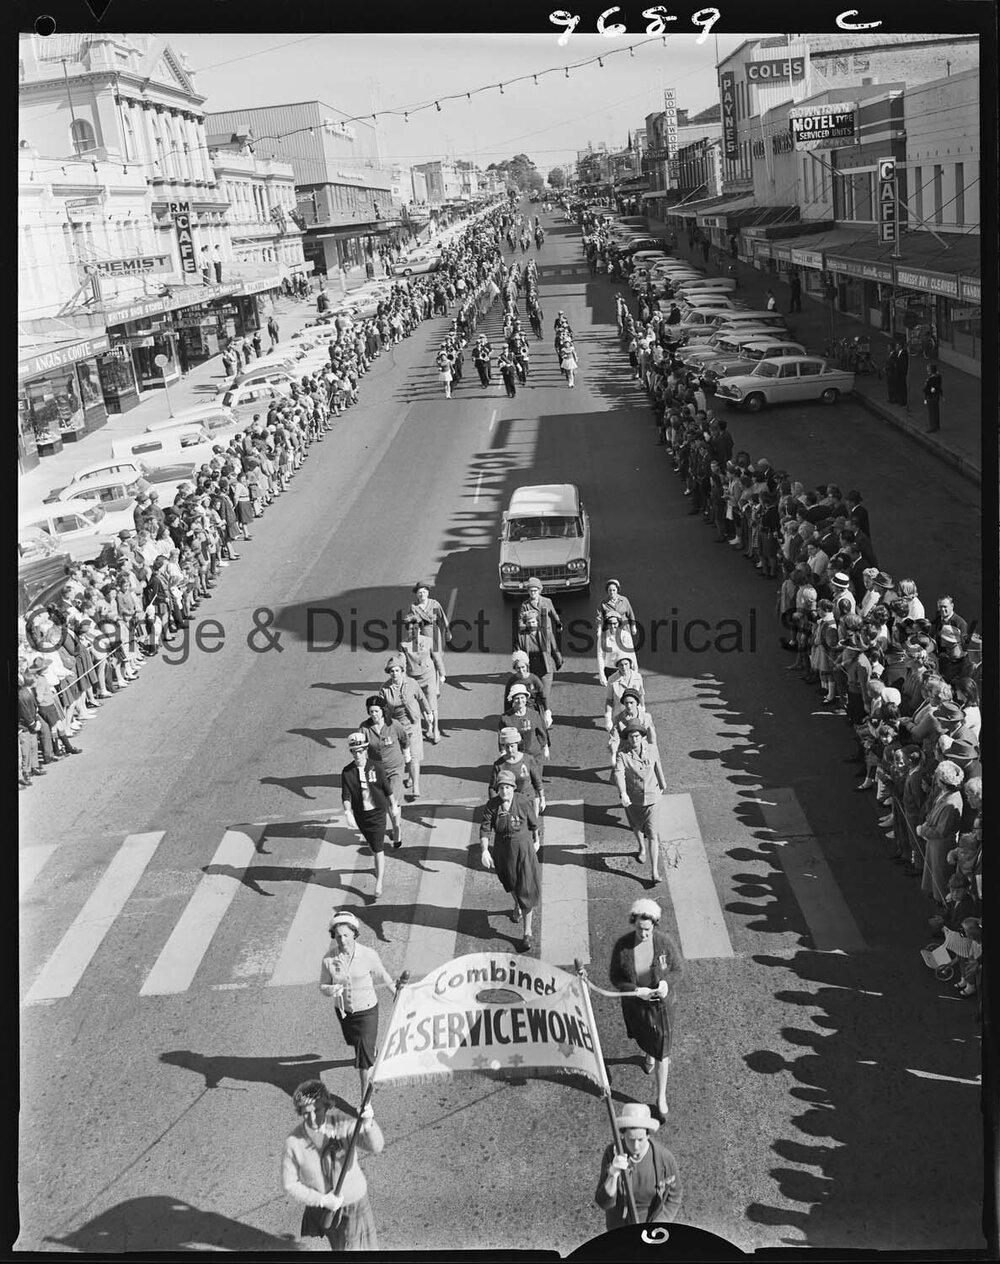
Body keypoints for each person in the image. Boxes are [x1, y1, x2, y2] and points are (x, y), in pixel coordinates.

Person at [282, 1079, 384, 1251]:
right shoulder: (294, 1142)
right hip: (323, 1207)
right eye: (306, 1113)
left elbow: (376, 1147)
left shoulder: (342, 1124)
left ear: (326, 1106)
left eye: (317, 1110)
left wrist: (368, 1124)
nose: (312, 1118)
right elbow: (289, 1184)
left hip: (353, 1203)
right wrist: (322, 1200)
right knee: (338, 1246)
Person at [608, 899, 683, 1121]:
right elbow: (615, 978)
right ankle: (648, 1054)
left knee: (663, 1052)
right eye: (640, 929)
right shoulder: (623, 947)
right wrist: (634, 990)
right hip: (637, 1006)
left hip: (662, 1007)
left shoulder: (664, 943)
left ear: (654, 925)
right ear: (634, 923)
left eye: (648, 930)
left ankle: (661, 1097)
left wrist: (666, 983)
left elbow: (678, 969)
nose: (644, 934)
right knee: (646, 1039)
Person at [319, 909, 395, 1096]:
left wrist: (397, 994)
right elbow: (323, 985)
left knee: (363, 1063)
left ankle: (364, 1102)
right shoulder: (329, 959)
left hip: (367, 1012)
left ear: (354, 933)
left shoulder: (368, 954)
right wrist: (331, 990)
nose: (342, 940)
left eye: (346, 935)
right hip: (344, 1013)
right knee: (356, 1044)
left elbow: (383, 975)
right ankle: (368, 1050)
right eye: (338, 936)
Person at [594, 1101, 683, 1230]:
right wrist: (613, 1174)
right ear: (623, 1135)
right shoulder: (612, 1153)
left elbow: (674, 1196)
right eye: (630, 1139)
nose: (636, 1146)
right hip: (619, 1227)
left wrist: (659, 1224)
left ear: (648, 1135)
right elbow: (604, 1202)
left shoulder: (665, 1158)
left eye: (640, 1139)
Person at [479, 768, 541, 952]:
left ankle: (527, 933)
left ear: (513, 788)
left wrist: (536, 840)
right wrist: (484, 850)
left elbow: (534, 823)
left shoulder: (522, 802)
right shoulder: (492, 805)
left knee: (526, 889)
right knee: (510, 882)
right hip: (503, 851)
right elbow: (485, 829)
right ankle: (517, 903)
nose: (504, 791)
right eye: (501, 787)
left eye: (507, 787)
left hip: (523, 850)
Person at [341, 732, 398, 897]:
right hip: (361, 816)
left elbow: (387, 788)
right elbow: (346, 795)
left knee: (378, 848)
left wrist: (393, 805)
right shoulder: (347, 772)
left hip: (378, 813)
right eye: (354, 752)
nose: (357, 755)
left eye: (360, 751)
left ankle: (379, 882)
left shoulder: (377, 767)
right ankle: (377, 867)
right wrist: (348, 812)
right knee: (373, 846)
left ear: (366, 750)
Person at [614, 723, 667, 885]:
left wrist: (663, 784)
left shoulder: (652, 749)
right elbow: (619, 773)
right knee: (636, 826)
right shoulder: (622, 754)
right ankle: (641, 847)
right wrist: (623, 793)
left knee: (653, 834)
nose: (634, 739)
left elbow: (657, 765)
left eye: (637, 736)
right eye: (631, 736)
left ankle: (654, 871)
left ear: (642, 737)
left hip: (652, 798)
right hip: (633, 800)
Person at [379, 654, 433, 801]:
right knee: (404, 755)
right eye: (391, 671)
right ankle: (410, 776)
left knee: (414, 756)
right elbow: (382, 709)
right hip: (396, 727)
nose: (394, 674)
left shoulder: (412, 683)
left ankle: (415, 786)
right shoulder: (385, 689)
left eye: (397, 670)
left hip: (413, 724)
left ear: (402, 671)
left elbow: (422, 698)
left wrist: (428, 713)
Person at [359, 697, 408, 845]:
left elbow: (404, 739)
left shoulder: (393, 724)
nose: (374, 714)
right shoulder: (365, 728)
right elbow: (362, 748)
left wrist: (407, 753)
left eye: (376, 711)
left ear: (383, 710)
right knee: (385, 801)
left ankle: (397, 831)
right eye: (371, 711)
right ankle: (393, 824)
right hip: (377, 770)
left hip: (395, 768)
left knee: (393, 799)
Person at [516, 577, 563, 702]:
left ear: (539, 590)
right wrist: (528, 624)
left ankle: (553, 664)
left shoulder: (547, 601)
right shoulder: (525, 605)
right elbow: (520, 622)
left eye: (535, 591)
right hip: (532, 632)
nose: (533, 593)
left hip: (546, 632)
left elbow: (553, 613)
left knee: (550, 650)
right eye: (531, 591)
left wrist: (558, 623)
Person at [491, 726, 544, 814]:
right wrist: (494, 805)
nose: (510, 750)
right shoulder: (499, 765)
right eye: (507, 747)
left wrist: (542, 798)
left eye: (512, 746)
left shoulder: (528, 759)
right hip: (509, 804)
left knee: (532, 822)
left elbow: (537, 781)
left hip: (528, 800)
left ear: (517, 744)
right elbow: (493, 787)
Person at [923, 363, 943, 432]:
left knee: (931, 412)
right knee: (936, 411)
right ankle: (937, 425)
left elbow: (927, 389)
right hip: (936, 396)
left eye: (928, 369)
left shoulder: (931, 379)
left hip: (931, 397)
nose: (927, 371)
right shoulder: (938, 377)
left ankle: (932, 427)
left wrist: (926, 390)